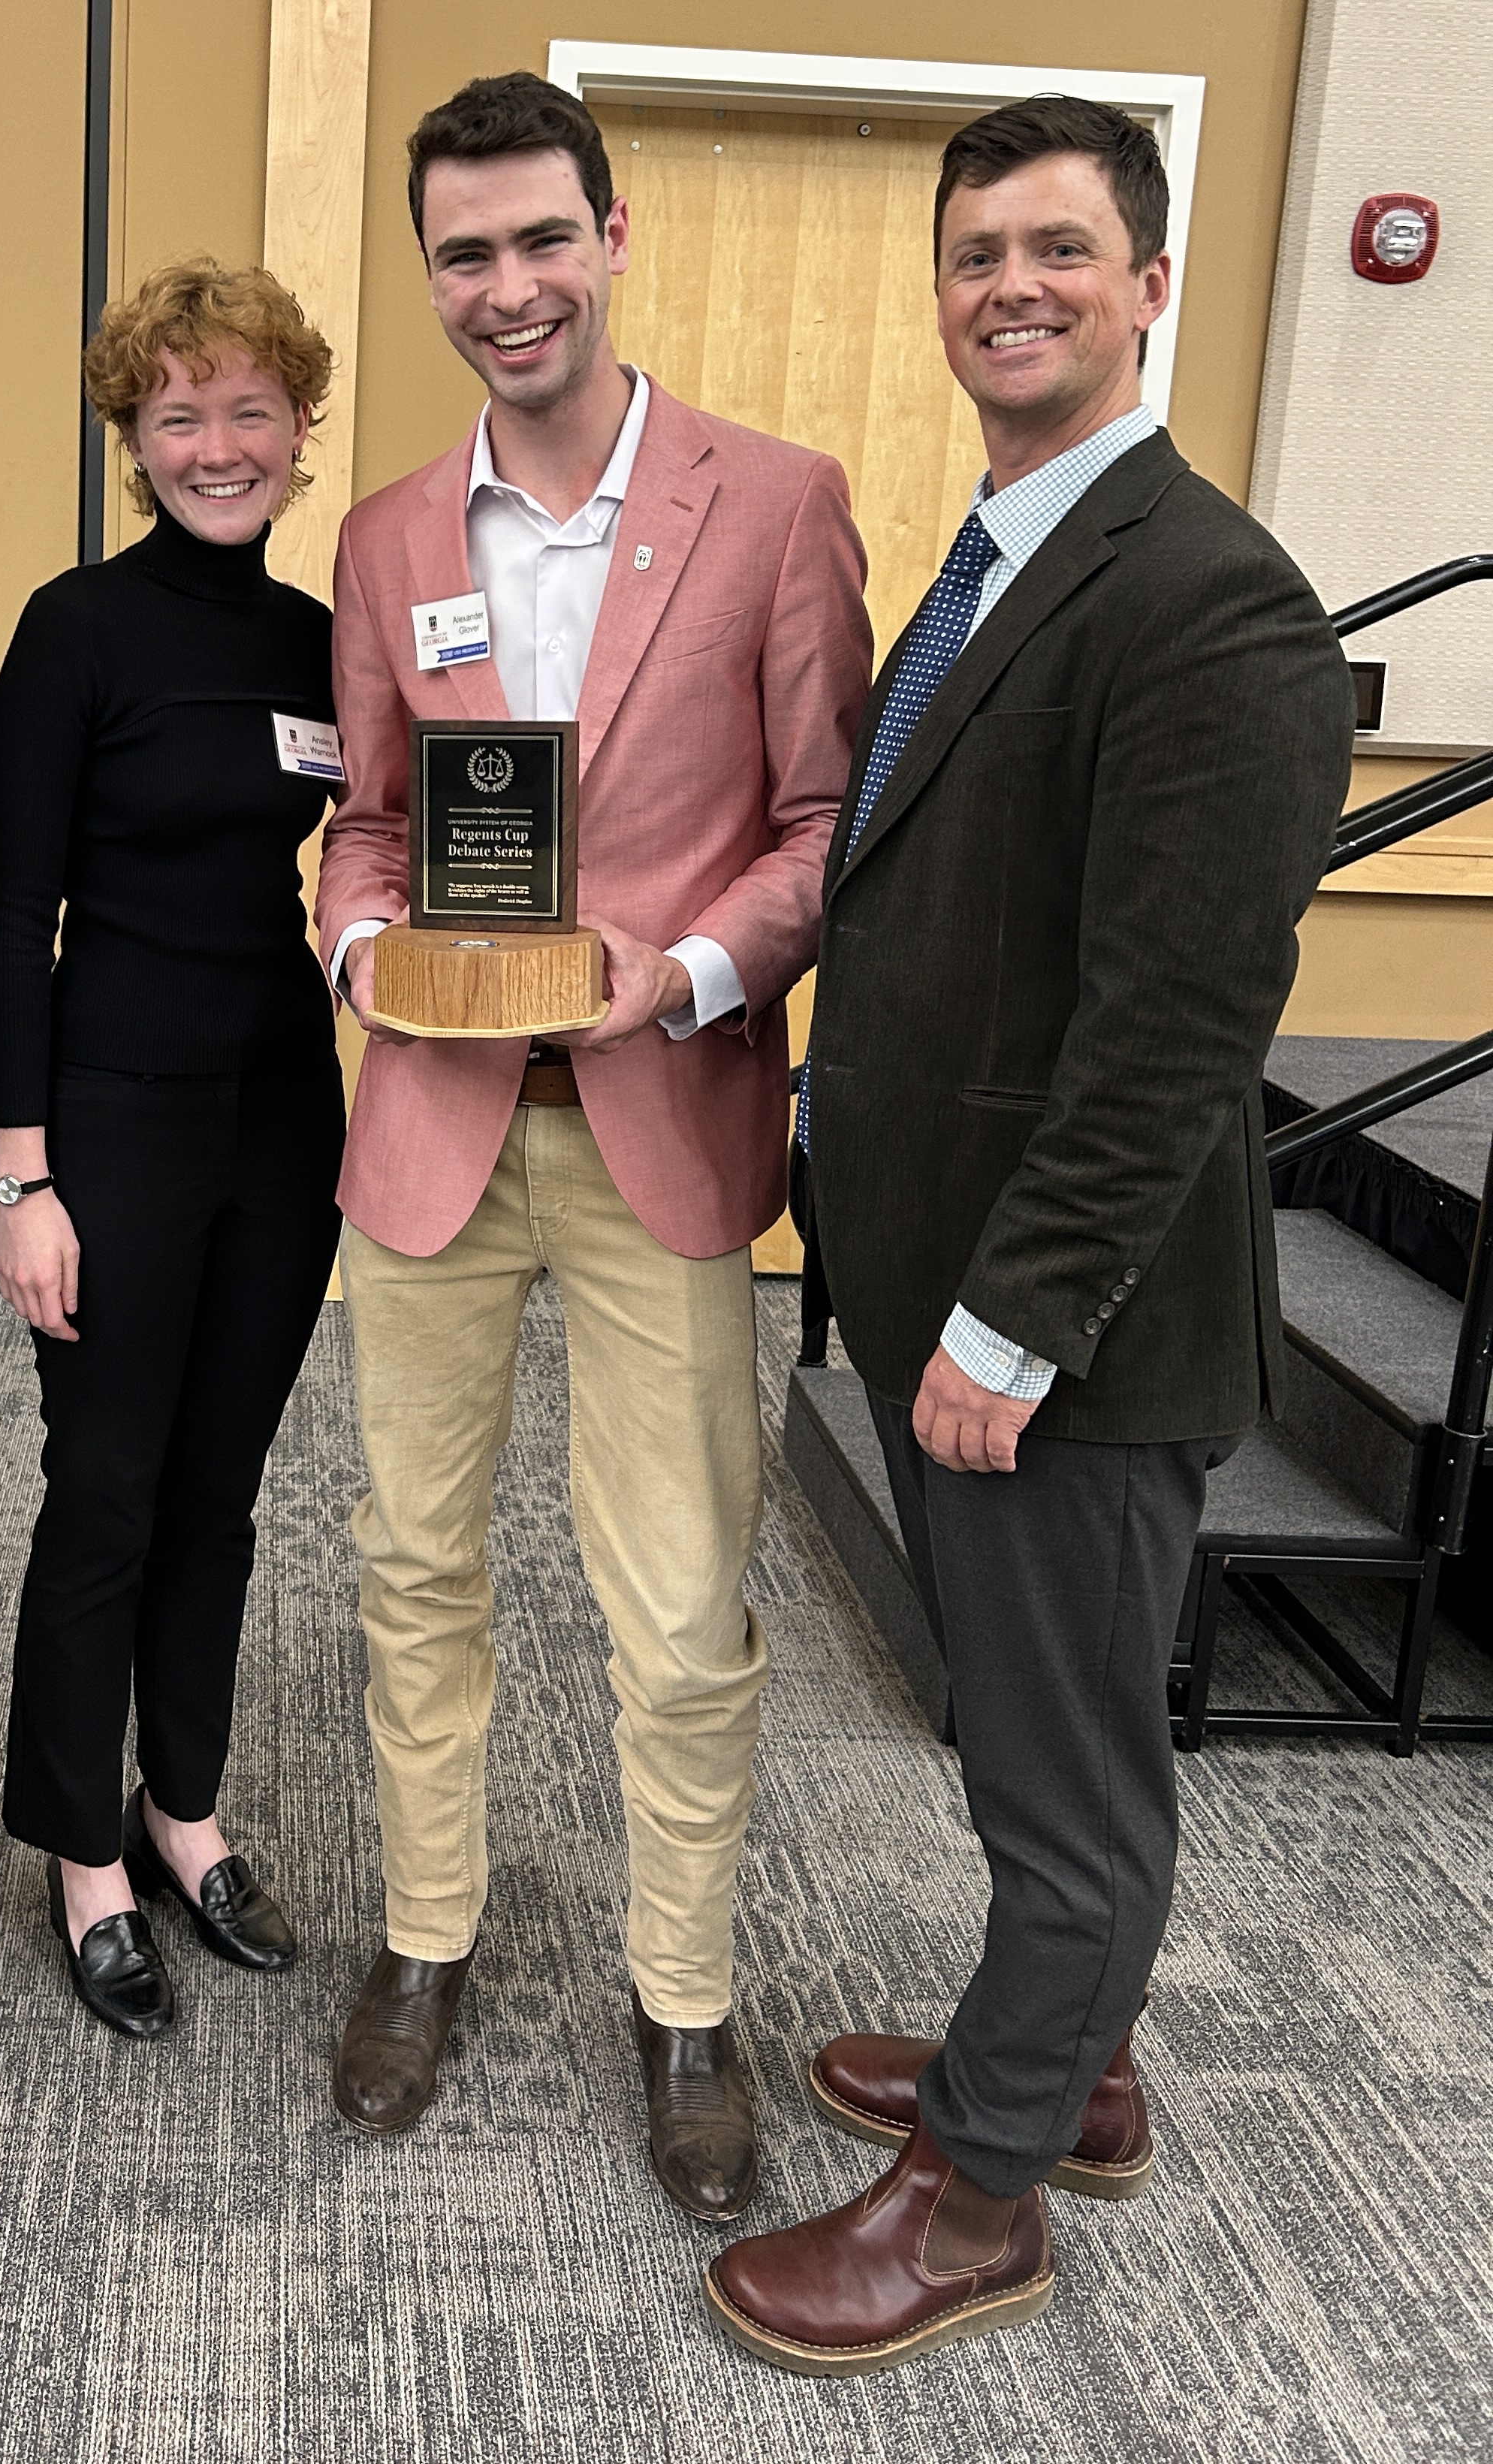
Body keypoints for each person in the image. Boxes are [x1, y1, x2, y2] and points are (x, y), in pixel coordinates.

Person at [704, 98, 1353, 2374]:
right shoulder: (998, 557)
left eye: (1062, 250)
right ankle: (1063, 2071)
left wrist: (1012, 1317)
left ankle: (975, 2203)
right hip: (950, 1282)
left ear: (1152, 281)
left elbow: (1184, 1021)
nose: (1012, 287)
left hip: (1054, 1324)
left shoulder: (1209, 597)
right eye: (978, 252)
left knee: (1069, 1775)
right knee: (1032, 1735)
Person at [318, 73, 871, 2219]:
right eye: (464, 252)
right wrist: (364, 937)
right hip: (441, 1133)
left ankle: (686, 1995)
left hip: (664, 1122)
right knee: (412, 1568)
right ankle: (427, 1940)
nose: (507, 286)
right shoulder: (384, 536)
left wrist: (701, 972)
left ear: (612, 232)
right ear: (433, 272)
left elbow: (829, 825)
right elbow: (370, 813)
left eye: (542, 238)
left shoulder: (773, 500)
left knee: (679, 1606)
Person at [0, 261, 344, 2039]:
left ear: (297, 429)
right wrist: (22, 1175)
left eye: (249, 410)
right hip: (109, 1118)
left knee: (222, 1492)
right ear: (134, 438)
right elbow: (15, 909)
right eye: (179, 414)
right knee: (106, 1489)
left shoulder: (320, 639)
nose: (218, 445)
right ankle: (80, 1849)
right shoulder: (80, 628)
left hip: (283, 1116)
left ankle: (179, 1807)